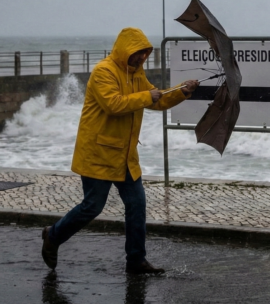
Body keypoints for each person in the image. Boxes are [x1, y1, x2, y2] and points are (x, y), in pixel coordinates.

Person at [41, 27, 198, 275]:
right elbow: (113, 104)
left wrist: (182, 91)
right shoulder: (104, 71)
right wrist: (148, 95)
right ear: (124, 50)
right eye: (137, 53)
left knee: (137, 204)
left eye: (144, 53)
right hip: (98, 153)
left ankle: (136, 260)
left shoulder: (137, 75)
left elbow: (157, 99)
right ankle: (53, 235)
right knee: (92, 206)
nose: (140, 58)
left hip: (125, 155)